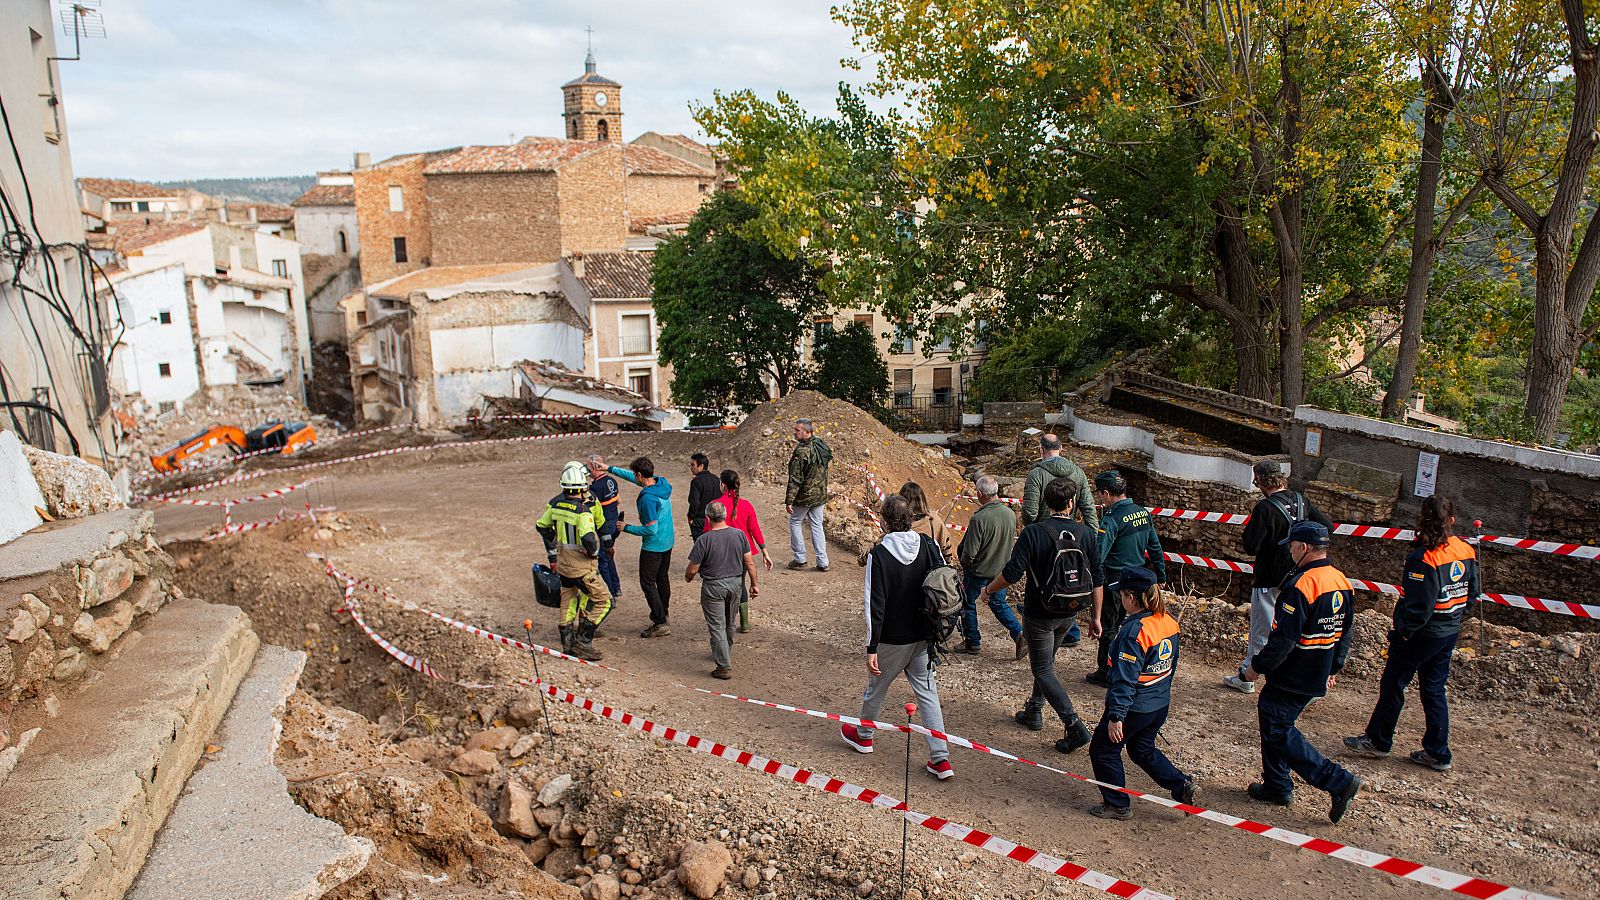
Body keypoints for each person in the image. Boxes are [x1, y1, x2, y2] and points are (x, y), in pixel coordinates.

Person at [1240, 521, 1363, 823]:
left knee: (1278, 728)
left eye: (1293, 547)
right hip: (1317, 669)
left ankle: (1337, 781)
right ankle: (1277, 785)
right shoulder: (1341, 581)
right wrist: (1334, 667)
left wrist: (1256, 668)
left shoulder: (1301, 585)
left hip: (1294, 672)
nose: (1291, 552)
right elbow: (1346, 632)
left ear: (1304, 548)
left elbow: (1283, 639)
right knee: (1273, 719)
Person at [1343, 496, 1477, 772]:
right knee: (1434, 689)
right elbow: (1472, 594)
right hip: (1448, 631)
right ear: (1451, 521)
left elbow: (1420, 606)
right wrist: (1455, 618)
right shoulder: (1465, 550)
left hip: (1422, 634)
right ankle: (1438, 751)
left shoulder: (1424, 557)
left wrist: (1403, 632)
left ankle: (1379, 740)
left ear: (1421, 521)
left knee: (1393, 683)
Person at [980, 477, 1103, 754]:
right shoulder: (1086, 535)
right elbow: (1097, 578)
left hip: (1039, 613)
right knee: (1046, 663)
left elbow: (1011, 574)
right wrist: (1096, 617)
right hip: (1070, 612)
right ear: (1072, 504)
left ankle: (1074, 725)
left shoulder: (1034, 533)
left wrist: (987, 590)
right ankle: (1034, 710)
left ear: (1047, 503)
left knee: (1043, 668)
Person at [839, 494, 955, 780]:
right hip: (923, 634)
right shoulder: (929, 544)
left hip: (892, 637)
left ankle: (864, 735)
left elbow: (874, 604)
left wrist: (871, 646)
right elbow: (944, 578)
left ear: (885, 521)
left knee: (875, 688)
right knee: (928, 694)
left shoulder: (879, 556)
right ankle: (940, 758)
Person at [1086, 566, 1196, 820]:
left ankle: (1117, 804)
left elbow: (1124, 680)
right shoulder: (1168, 622)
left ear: (1131, 598)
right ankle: (1182, 785)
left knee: (1103, 750)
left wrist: (1116, 716)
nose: (1120, 599)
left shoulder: (1133, 633)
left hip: (1135, 706)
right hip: (1157, 704)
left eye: (1122, 594)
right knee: (1142, 749)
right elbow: (1172, 666)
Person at [1225, 460, 1333, 693]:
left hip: (1269, 577)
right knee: (1294, 626)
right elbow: (1327, 526)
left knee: (1262, 630)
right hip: (1298, 575)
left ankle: (1248, 676)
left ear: (1261, 482)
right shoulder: (1301, 500)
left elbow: (1251, 546)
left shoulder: (1265, 508)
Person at [1086, 471, 1166, 687]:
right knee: (1134, 623)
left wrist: (1090, 578)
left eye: (1100, 495)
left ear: (1106, 493)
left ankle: (1105, 670)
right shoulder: (1141, 512)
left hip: (1115, 579)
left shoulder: (1112, 518)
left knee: (1108, 625)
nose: (1100, 500)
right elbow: (1155, 546)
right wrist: (1160, 574)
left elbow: (1100, 553)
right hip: (1139, 577)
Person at [1019, 433, 1097, 648]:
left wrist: (1032, 530)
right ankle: (1069, 629)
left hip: (1043, 536)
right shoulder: (1078, 473)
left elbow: (1029, 512)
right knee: (1067, 577)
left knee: (1039, 580)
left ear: (1041, 450)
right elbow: (1089, 509)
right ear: (1061, 448)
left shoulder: (1036, 474)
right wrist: (1090, 539)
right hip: (1071, 536)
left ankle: (1042, 626)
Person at [535, 461, 614, 661]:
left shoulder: (555, 505)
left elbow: (541, 526)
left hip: (564, 566)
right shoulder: (583, 511)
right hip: (582, 567)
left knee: (568, 601)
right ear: (582, 485)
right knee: (605, 602)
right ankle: (583, 642)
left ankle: (567, 645)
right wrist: (594, 552)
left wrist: (556, 544)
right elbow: (589, 537)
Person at [686, 501, 761, 680]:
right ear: (726, 514)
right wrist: (754, 584)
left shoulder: (704, 539)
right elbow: (749, 563)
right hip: (735, 584)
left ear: (708, 518)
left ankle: (724, 666)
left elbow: (692, 569)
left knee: (717, 626)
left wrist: (688, 577)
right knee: (729, 622)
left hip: (713, 586)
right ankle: (725, 651)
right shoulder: (739, 535)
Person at [954, 474, 1025, 658]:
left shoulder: (979, 519)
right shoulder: (1009, 514)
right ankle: (1018, 633)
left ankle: (972, 641)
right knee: (999, 604)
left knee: (967, 603)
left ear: (980, 494)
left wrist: (964, 564)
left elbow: (970, 552)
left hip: (979, 571)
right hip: (1000, 570)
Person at [610, 456, 675, 638]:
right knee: (662, 577)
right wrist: (609, 468)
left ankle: (660, 622)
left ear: (639, 474)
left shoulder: (647, 499)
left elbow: (650, 529)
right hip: (667, 540)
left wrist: (627, 528)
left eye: (634, 474)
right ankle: (664, 612)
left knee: (647, 582)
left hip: (653, 546)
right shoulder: (661, 483)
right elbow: (636, 479)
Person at [715, 469, 772, 632]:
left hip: (721, 553)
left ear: (723, 485)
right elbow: (755, 530)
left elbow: (708, 532)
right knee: (739, 584)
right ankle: (745, 623)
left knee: (723, 586)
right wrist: (764, 551)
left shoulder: (715, 506)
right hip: (743, 554)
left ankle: (727, 622)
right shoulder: (746, 505)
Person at [785, 417, 833, 572]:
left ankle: (800, 558)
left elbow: (795, 478)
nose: (795, 432)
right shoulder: (820, 445)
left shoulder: (801, 451)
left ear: (807, 432)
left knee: (795, 522)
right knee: (817, 525)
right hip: (819, 494)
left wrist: (789, 500)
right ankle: (823, 562)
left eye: (797, 430)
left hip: (805, 496)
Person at [585, 454, 623, 604]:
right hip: (615, 522)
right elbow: (618, 500)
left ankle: (610, 594)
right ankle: (616, 587)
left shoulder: (595, 487)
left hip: (605, 526)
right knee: (609, 555)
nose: (587, 472)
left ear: (595, 467)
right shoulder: (611, 480)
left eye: (588, 468)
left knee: (602, 561)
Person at [900, 481, 958, 564]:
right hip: (929, 572)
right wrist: (948, 565)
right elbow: (946, 548)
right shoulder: (935, 521)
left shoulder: (897, 522)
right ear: (922, 499)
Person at [686, 452, 723, 541]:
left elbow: (694, 502)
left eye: (693, 465)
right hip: (715, 520)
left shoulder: (696, 481)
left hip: (700, 522)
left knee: (702, 549)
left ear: (701, 466)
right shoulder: (716, 479)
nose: (691, 468)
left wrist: (690, 517)